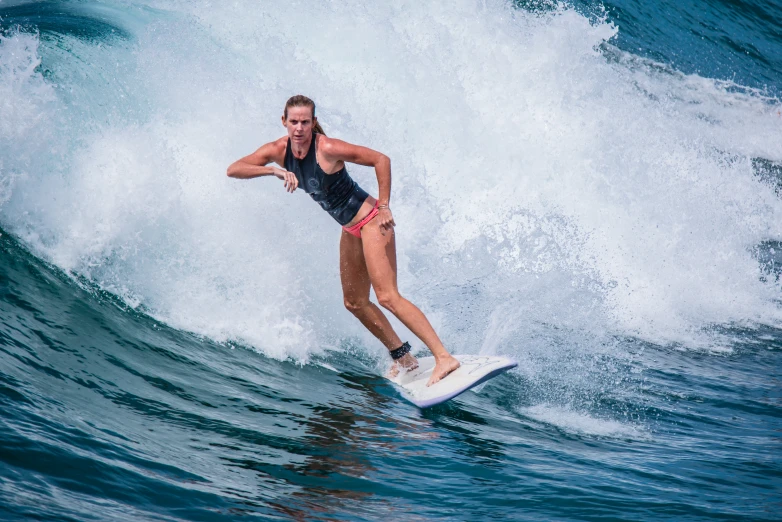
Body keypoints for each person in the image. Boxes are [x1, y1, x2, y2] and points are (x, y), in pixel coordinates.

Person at [227, 95, 460, 385]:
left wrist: (385, 205)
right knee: (354, 302)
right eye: (294, 121)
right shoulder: (278, 151)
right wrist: (273, 170)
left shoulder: (326, 147)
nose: (299, 128)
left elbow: (380, 159)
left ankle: (444, 358)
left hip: (373, 221)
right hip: (349, 229)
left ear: (313, 123)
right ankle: (405, 359)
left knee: (387, 296)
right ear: (284, 121)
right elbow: (234, 168)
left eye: (306, 122)